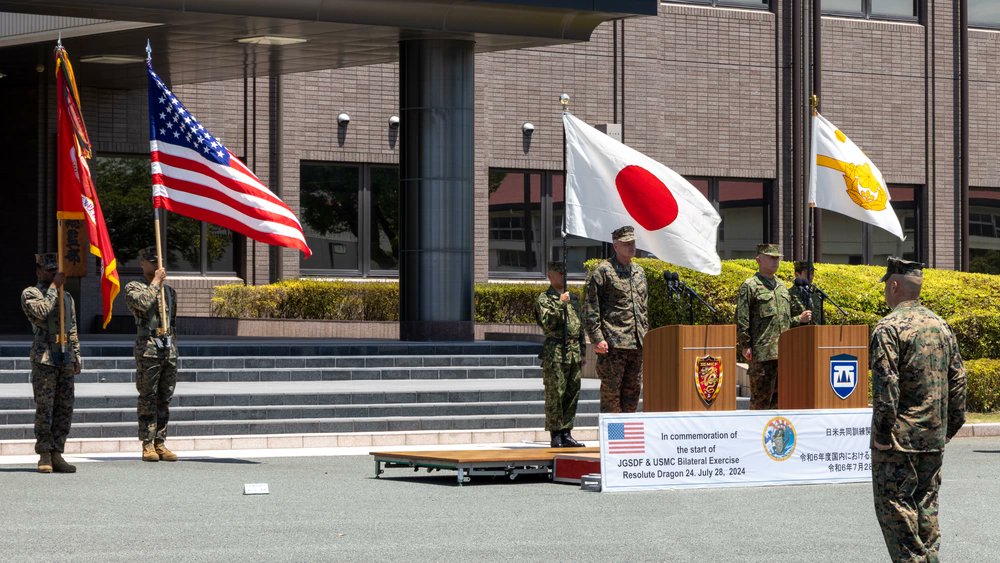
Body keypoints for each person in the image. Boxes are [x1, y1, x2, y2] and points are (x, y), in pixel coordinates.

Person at [870, 257, 966, 562]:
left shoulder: (888, 328)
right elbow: (959, 380)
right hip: (932, 438)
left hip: (899, 440)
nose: (886, 290)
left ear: (894, 285)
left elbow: (887, 385)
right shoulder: (941, 326)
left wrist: (883, 433)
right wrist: (950, 427)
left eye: (887, 284)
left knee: (896, 512)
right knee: (926, 511)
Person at [21, 253, 81, 473]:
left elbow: (72, 327)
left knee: (64, 407)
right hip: (45, 356)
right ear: (38, 271)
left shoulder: (67, 297)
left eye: (56, 270)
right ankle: (44, 454)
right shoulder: (31, 293)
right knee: (45, 407)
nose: (54, 273)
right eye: (49, 270)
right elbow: (41, 312)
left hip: (64, 356)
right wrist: (55, 288)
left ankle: (57, 452)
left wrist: (76, 355)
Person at [736, 244, 811, 410]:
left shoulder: (782, 287)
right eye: (771, 257)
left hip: (784, 354)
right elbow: (742, 318)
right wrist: (745, 345)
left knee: (780, 403)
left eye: (777, 258)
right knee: (760, 403)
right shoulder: (750, 286)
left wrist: (799, 319)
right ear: (759, 259)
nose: (775, 261)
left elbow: (784, 320)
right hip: (762, 355)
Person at [584, 225, 648, 413]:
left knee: (632, 394)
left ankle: (627, 438)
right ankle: (614, 438)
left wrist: (645, 335)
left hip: (636, 344)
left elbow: (643, 308)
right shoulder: (603, 271)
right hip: (612, 344)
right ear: (616, 246)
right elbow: (590, 307)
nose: (631, 247)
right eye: (626, 243)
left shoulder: (639, 272)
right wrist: (597, 338)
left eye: (633, 242)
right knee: (612, 396)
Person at [125, 246, 179, 462]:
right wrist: (156, 281)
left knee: (164, 397)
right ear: (142, 263)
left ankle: (160, 441)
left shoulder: (169, 292)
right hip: (147, 347)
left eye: (159, 261)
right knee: (148, 396)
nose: (156, 265)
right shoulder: (134, 287)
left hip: (167, 346)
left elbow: (172, 321)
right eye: (151, 261)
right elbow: (142, 304)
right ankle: (147, 443)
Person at [534, 261, 585, 448]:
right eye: (560, 273)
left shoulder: (574, 299)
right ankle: (555, 433)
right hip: (555, 352)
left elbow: (579, 327)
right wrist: (561, 305)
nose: (564, 277)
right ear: (550, 276)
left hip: (573, 353)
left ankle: (567, 431)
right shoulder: (545, 298)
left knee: (572, 393)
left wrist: (583, 351)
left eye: (565, 273)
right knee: (555, 394)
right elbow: (548, 323)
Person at [788, 260, 822, 326]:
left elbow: (822, 320)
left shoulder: (816, 295)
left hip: (816, 334)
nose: (811, 277)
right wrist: (799, 319)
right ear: (797, 274)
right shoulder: (789, 294)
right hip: (797, 334)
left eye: (812, 273)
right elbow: (782, 323)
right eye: (807, 274)